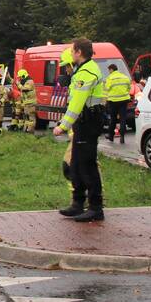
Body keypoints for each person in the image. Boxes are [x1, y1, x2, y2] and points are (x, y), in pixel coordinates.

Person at [53, 38, 105, 222]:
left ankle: (96, 207)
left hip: (88, 121)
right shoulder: (83, 71)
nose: (72, 53)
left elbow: (76, 104)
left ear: (79, 52)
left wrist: (62, 126)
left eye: (73, 50)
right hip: (84, 122)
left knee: (87, 165)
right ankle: (78, 203)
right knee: (76, 164)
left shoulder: (86, 72)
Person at [104, 63, 132, 143]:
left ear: (111, 69)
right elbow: (128, 87)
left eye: (109, 70)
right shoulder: (125, 77)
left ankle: (111, 136)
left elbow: (106, 89)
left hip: (113, 101)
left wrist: (105, 100)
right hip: (124, 100)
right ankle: (122, 136)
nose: (109, 72)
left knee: (113, 119)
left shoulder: (110, 78)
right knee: (123, 119)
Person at [15, 69, 37, 134]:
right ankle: (26, 130)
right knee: (27, 118)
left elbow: (24, 89)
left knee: (31, 119)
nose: (20, 79)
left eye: (21, 77)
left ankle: (30, 131)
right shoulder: (26, 82)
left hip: (31, 104)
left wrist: (18, 84)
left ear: (24, 76)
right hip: (27, 104)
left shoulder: (30, 82)